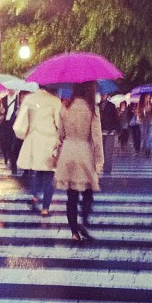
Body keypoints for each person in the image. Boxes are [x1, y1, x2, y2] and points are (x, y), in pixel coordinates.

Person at [54, 81, 104, 242]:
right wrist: (99, 160)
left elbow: (60, 134)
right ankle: (85, 219)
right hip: (84, 152)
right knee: (88, 190)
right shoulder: (92, 109)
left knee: (71, 195)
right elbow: (96, 138)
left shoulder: (65, 108)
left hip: (68, 152)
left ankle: (74, 232)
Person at [13, 86, 62, 215]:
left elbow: (21, 122)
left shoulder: (29, 99)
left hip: (34, 139)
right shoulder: (55, 101)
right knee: (49, 174)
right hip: (49, 141)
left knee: (37, 171)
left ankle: (35, 196)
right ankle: (45, 208)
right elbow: (59, 123)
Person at [0, 89, 19, 173]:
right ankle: (8, 156)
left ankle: (13, 162)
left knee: (14, 142)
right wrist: (1, 112)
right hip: (5, 123)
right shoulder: (3, 99)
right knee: (6, 141)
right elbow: (1, 112)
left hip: (15, 123)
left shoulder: (18, 100)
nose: (11, 90)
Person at [99, 93, 120, 172]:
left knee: (108, 151)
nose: (103, 96)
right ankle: (102, 166)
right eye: (102, 95)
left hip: (110, 132)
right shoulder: (97, 106)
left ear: (107, 96)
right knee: (101, 151)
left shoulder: (111, 106)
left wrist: (116, 129)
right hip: (100, 131)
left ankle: (107, 168)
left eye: (104, 95)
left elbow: (115, 118)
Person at [137, 93, 152, 158]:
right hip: (143, 122)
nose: (148, 99)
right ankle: (145, 147)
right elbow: (139, 113)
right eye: (146, 97)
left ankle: (148, 150)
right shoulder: (140, 105)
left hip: (150, 122)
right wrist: (143, 110)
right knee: (144, 136)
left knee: (149, 136)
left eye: (149, 97)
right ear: (143, 98)